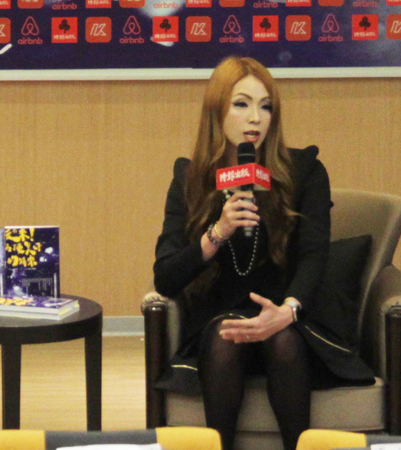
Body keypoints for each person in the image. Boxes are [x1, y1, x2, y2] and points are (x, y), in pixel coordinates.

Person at [152, 56, 373, 450]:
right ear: (217, 111)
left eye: (265, 106)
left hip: (291, 318)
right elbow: (165, 277)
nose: (255, 117)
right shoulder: (191, 178)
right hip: (218, 319)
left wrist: (287, 311)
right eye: (242, 104)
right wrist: (217, 232)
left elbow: (314, 255)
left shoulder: (304, 170)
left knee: (282, 340)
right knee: (226, 335)